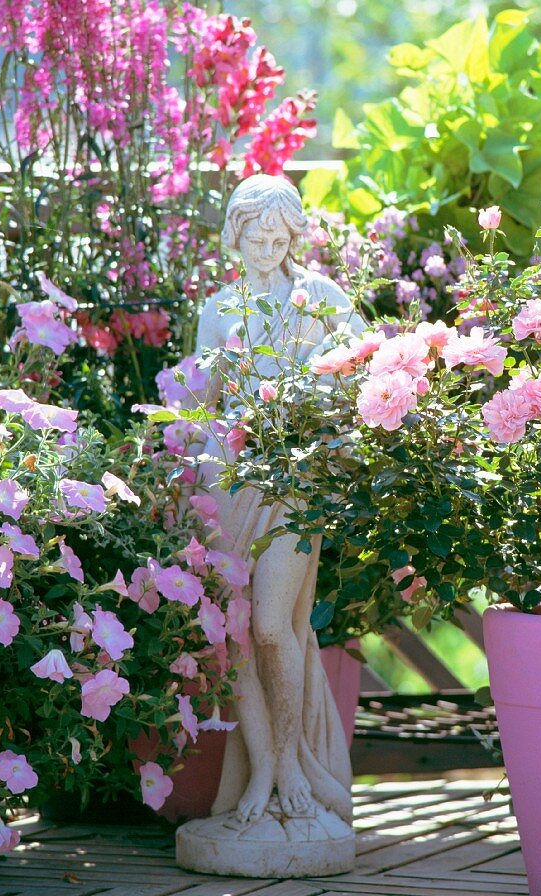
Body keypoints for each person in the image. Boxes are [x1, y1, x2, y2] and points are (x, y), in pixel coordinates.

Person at [196, 174, 358, 827]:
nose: (266, 246)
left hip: (296, 483)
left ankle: (292, 764)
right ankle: (262, 769)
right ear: (235, 236)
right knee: (236, 637)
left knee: (272, 624)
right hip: (231, 483)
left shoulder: (321, 298)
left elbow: (356, 386)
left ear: (293, 235)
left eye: (277, 235)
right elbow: (198, 410)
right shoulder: (219, 308)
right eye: (253, 236)